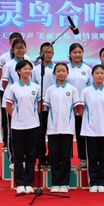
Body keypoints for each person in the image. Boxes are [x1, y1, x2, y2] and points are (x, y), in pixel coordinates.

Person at [4, 60, 42, 194]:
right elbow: (8, 107)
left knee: (31, 155)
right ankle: (20, 183)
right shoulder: (13, 88)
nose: (28, 71)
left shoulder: (36, 87)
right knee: (18, 155)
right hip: (18, 126)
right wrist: (17, 117)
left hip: (33, 125)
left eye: (29, 69)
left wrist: (33, 116)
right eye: (25, 69)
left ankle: (29, 183)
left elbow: (39, 105)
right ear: (18, 71)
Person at [43, 63, 82, 193]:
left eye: (63, 71)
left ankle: (64, 183)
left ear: (67, 73)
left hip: (67, 127)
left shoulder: (72, 89)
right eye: (58, 71)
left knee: (65, 156)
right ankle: (55, 182)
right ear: (54, 73)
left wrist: (68, 119)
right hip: (53, 128)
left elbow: (76, 107)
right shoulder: (50, 90)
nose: (61, 73)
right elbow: (47, 107)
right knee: (54, 156)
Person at [80, 64, 104, 193]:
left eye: (102, 73)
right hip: (90, 130)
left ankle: (102, 183)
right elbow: (81, 109)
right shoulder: (86, 91)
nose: (99, 75)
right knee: (92, 157)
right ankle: (93, 182)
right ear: (92, 75)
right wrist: (89, 121)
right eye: (97, 73)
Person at [0, 32, 26, 159]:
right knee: (11, 128)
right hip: (11, 101)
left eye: (22, 47)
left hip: (24, 101)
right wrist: (11, 95)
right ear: (12, 49)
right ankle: (12, 157)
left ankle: (23, 154)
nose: (20, 50)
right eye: (17, 48)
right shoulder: (8, 64)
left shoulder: (28, 61)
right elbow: (4, 83)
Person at [67, 43, 92, 168]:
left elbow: (90, 88)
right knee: (67, 134)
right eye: (74, 52)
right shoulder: (65, 68)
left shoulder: (87, 69)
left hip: (83, 107)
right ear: (70, 54)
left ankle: (83, 157)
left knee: (82, 133)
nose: (77, 55)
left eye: (79, 52)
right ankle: (67, 157)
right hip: (68, 107)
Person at [32, 42, 56, 166]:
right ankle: (41, 157)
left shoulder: (57, 68)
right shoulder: (36, 69)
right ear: (40, 53)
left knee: (53, 132)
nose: (47, 54)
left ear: (53, 54)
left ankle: (52, 156)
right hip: (40, 106)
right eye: (45, 52)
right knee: (40, 133)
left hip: (54, 107)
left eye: (50, 52)